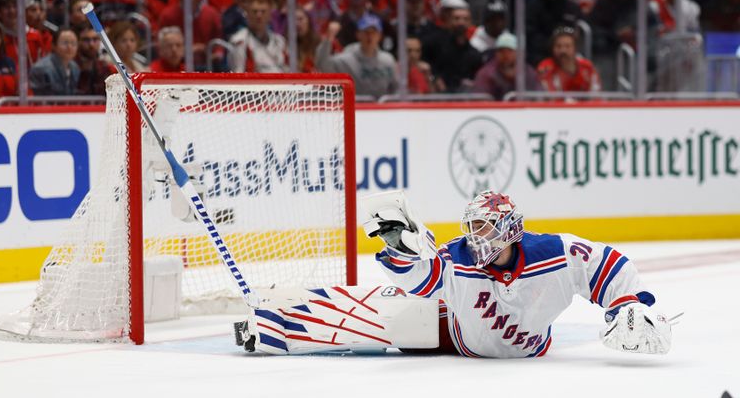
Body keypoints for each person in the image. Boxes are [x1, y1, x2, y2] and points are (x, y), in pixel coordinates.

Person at [235, 189, 673, 358]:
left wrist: (630, 304)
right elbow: (422, 279)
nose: (474, 236)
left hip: (527, 349)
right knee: (388, 317)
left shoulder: (553, 252)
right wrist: (397, 250)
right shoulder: (459, 257)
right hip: (455, 337)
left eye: (483, 227)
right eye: (472, 227)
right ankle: (272, 322)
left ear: (508, 229)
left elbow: (607, 263)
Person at [315, 13, 398, 99]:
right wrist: (329, 38)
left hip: (383, 109)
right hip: (355, 108)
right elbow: (322, 65)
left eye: (373, 32)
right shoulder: (346, 59)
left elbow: (396, 88)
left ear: (380, 36)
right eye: (366, 32)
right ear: (358, 34)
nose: (369, 36)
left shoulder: (388, 60)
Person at [472, 32, 543, 100]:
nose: (505, 55)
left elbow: (539, 96)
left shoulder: (528, 71)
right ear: (496, 53)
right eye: (501, 51)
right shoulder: (486, 73)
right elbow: (480, 99)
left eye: (509, 50)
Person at [229, 0, 287, 73]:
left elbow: (287, 69)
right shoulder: (239, 41)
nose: (259, 15)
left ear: (270, 16)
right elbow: (238, 73)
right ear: (248, 15)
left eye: (263, 11)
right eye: (255, 11)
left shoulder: (280, 41)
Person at [537, 26, 602, 93]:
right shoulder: (546, 67)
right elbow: (548, 96)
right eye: (558, 46)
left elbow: (596, 95)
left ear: (575, 48)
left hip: (583, 103)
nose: (563, 50)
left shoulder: (587, 67)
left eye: (567, 46)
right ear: (552, 48)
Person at [29, 28, 80, 96]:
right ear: (53, 45)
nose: (69, 47)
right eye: (65, 43)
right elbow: (38, 99)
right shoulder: (40, 68)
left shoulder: (75, 67)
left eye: (73, 43)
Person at [75, 25, 113, 96]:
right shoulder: (72, 66)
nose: (91, 44)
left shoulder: (104, 67)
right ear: (78, 42)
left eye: (95, 39)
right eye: (86, 40)